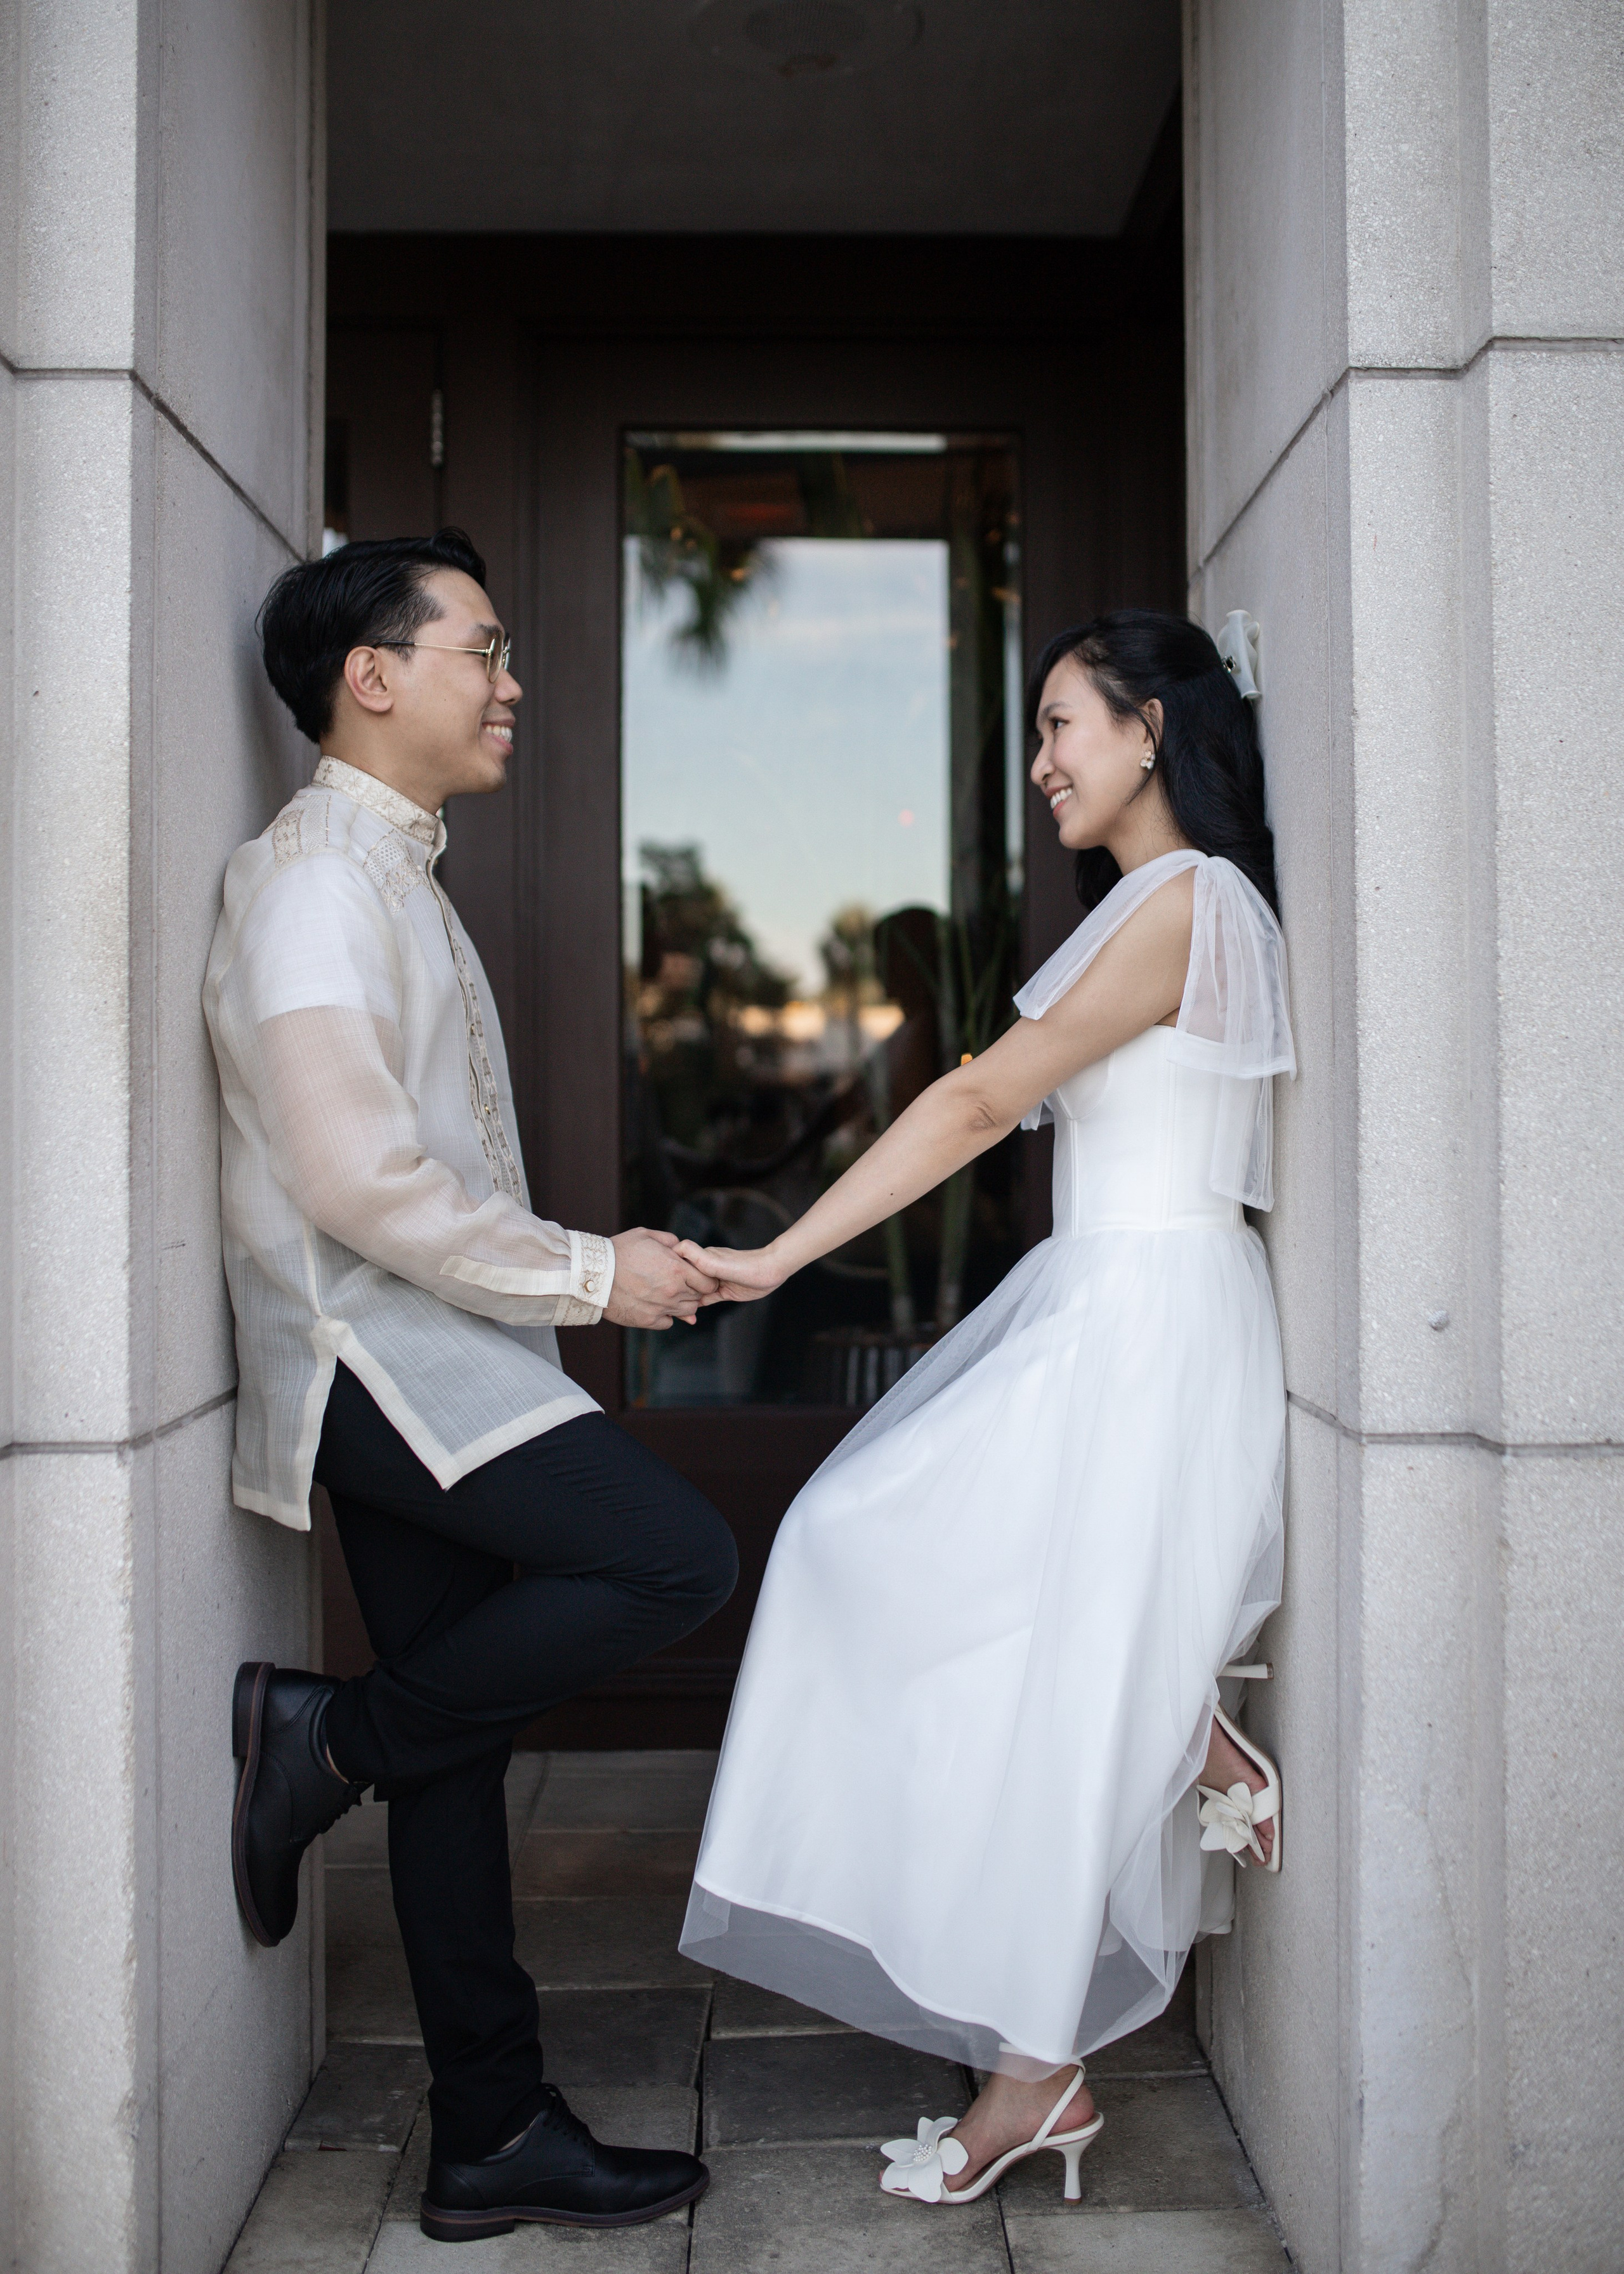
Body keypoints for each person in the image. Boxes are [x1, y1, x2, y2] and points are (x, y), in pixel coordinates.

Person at [674, 610, 1294, 2205]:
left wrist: (776, 1256)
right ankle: (1180, 1740)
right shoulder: (1156, 903)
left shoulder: (1187, 902)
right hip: (1107, 1299)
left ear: (1150, 728)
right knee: (906, 1567)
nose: (1040, 766)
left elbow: (970, 1099)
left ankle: (1035, 2075)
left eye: (1059, 726)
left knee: (936, 1586)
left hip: (1141, 1312)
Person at [204, 528, 735, 2241]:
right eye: (482, 653)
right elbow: (353, 1180)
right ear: (374, 674)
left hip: (432, 1347)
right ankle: (325, 1734)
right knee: (674, 1559)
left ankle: (492, 2130)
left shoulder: (389, 870)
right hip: (375, 1353)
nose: (513, 686)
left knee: (460, 1728)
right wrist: (594, 1272)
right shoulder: (312, 883)